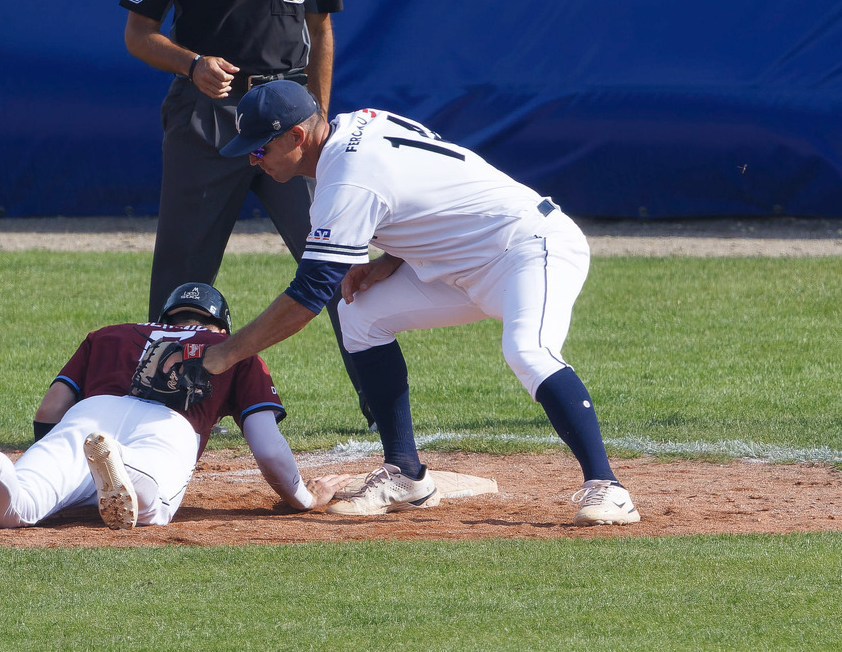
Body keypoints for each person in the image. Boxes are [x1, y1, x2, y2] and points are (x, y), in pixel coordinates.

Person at [186, 80, 641, 525]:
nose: (253, 158)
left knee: (528, 351)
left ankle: (609, 488)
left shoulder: (347, 180)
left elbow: (308, 295)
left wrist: (222, 356)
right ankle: (406, 474)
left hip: (529, 248)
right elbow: (430, 185)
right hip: (460, 265)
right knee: (359, 315)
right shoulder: (363, 122)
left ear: (297, 136)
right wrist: (392, 257)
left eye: (260, 147)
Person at [117, 0, 375, 432]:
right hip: (208, 117)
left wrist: (317, 114)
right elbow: (139, 34)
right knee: (182, 280)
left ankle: (382, 407)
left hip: (291, 117)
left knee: (341, 264)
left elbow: (320, 28)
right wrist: (192, 63)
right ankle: (161, 409)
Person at [0, 283, 351, 531]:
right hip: (169, 428)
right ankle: (118, 465)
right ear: (221, 326)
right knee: (150, 510)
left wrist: (58, 458)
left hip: (87, 417)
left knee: (17, 511)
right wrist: (303, 496)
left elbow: (50, 407)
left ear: (165, 318)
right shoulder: (232, 347)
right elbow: (267, 445)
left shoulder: (111, 334)